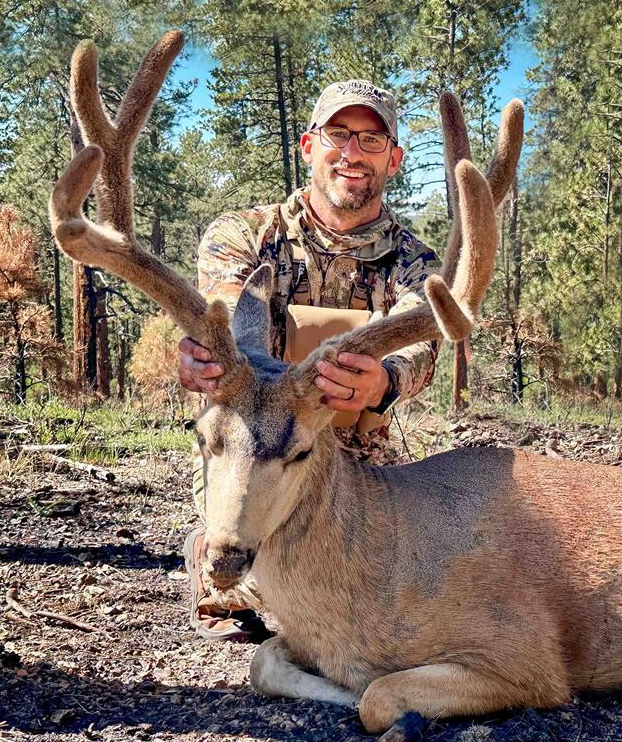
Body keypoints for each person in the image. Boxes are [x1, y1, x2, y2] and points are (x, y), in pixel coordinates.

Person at [180, 80, 442, 640]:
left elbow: (425, 342)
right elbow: (227, 312)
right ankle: (220, 559)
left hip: (357, 448)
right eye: (338, 135)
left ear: (394, 159)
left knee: (383, 578)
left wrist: (384, 380)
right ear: (308, 145)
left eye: (372, 140)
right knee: (250, 571)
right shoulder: (243, 234)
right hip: (252, 441)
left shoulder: (416, 262)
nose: (353, 153)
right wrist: (206, 356)